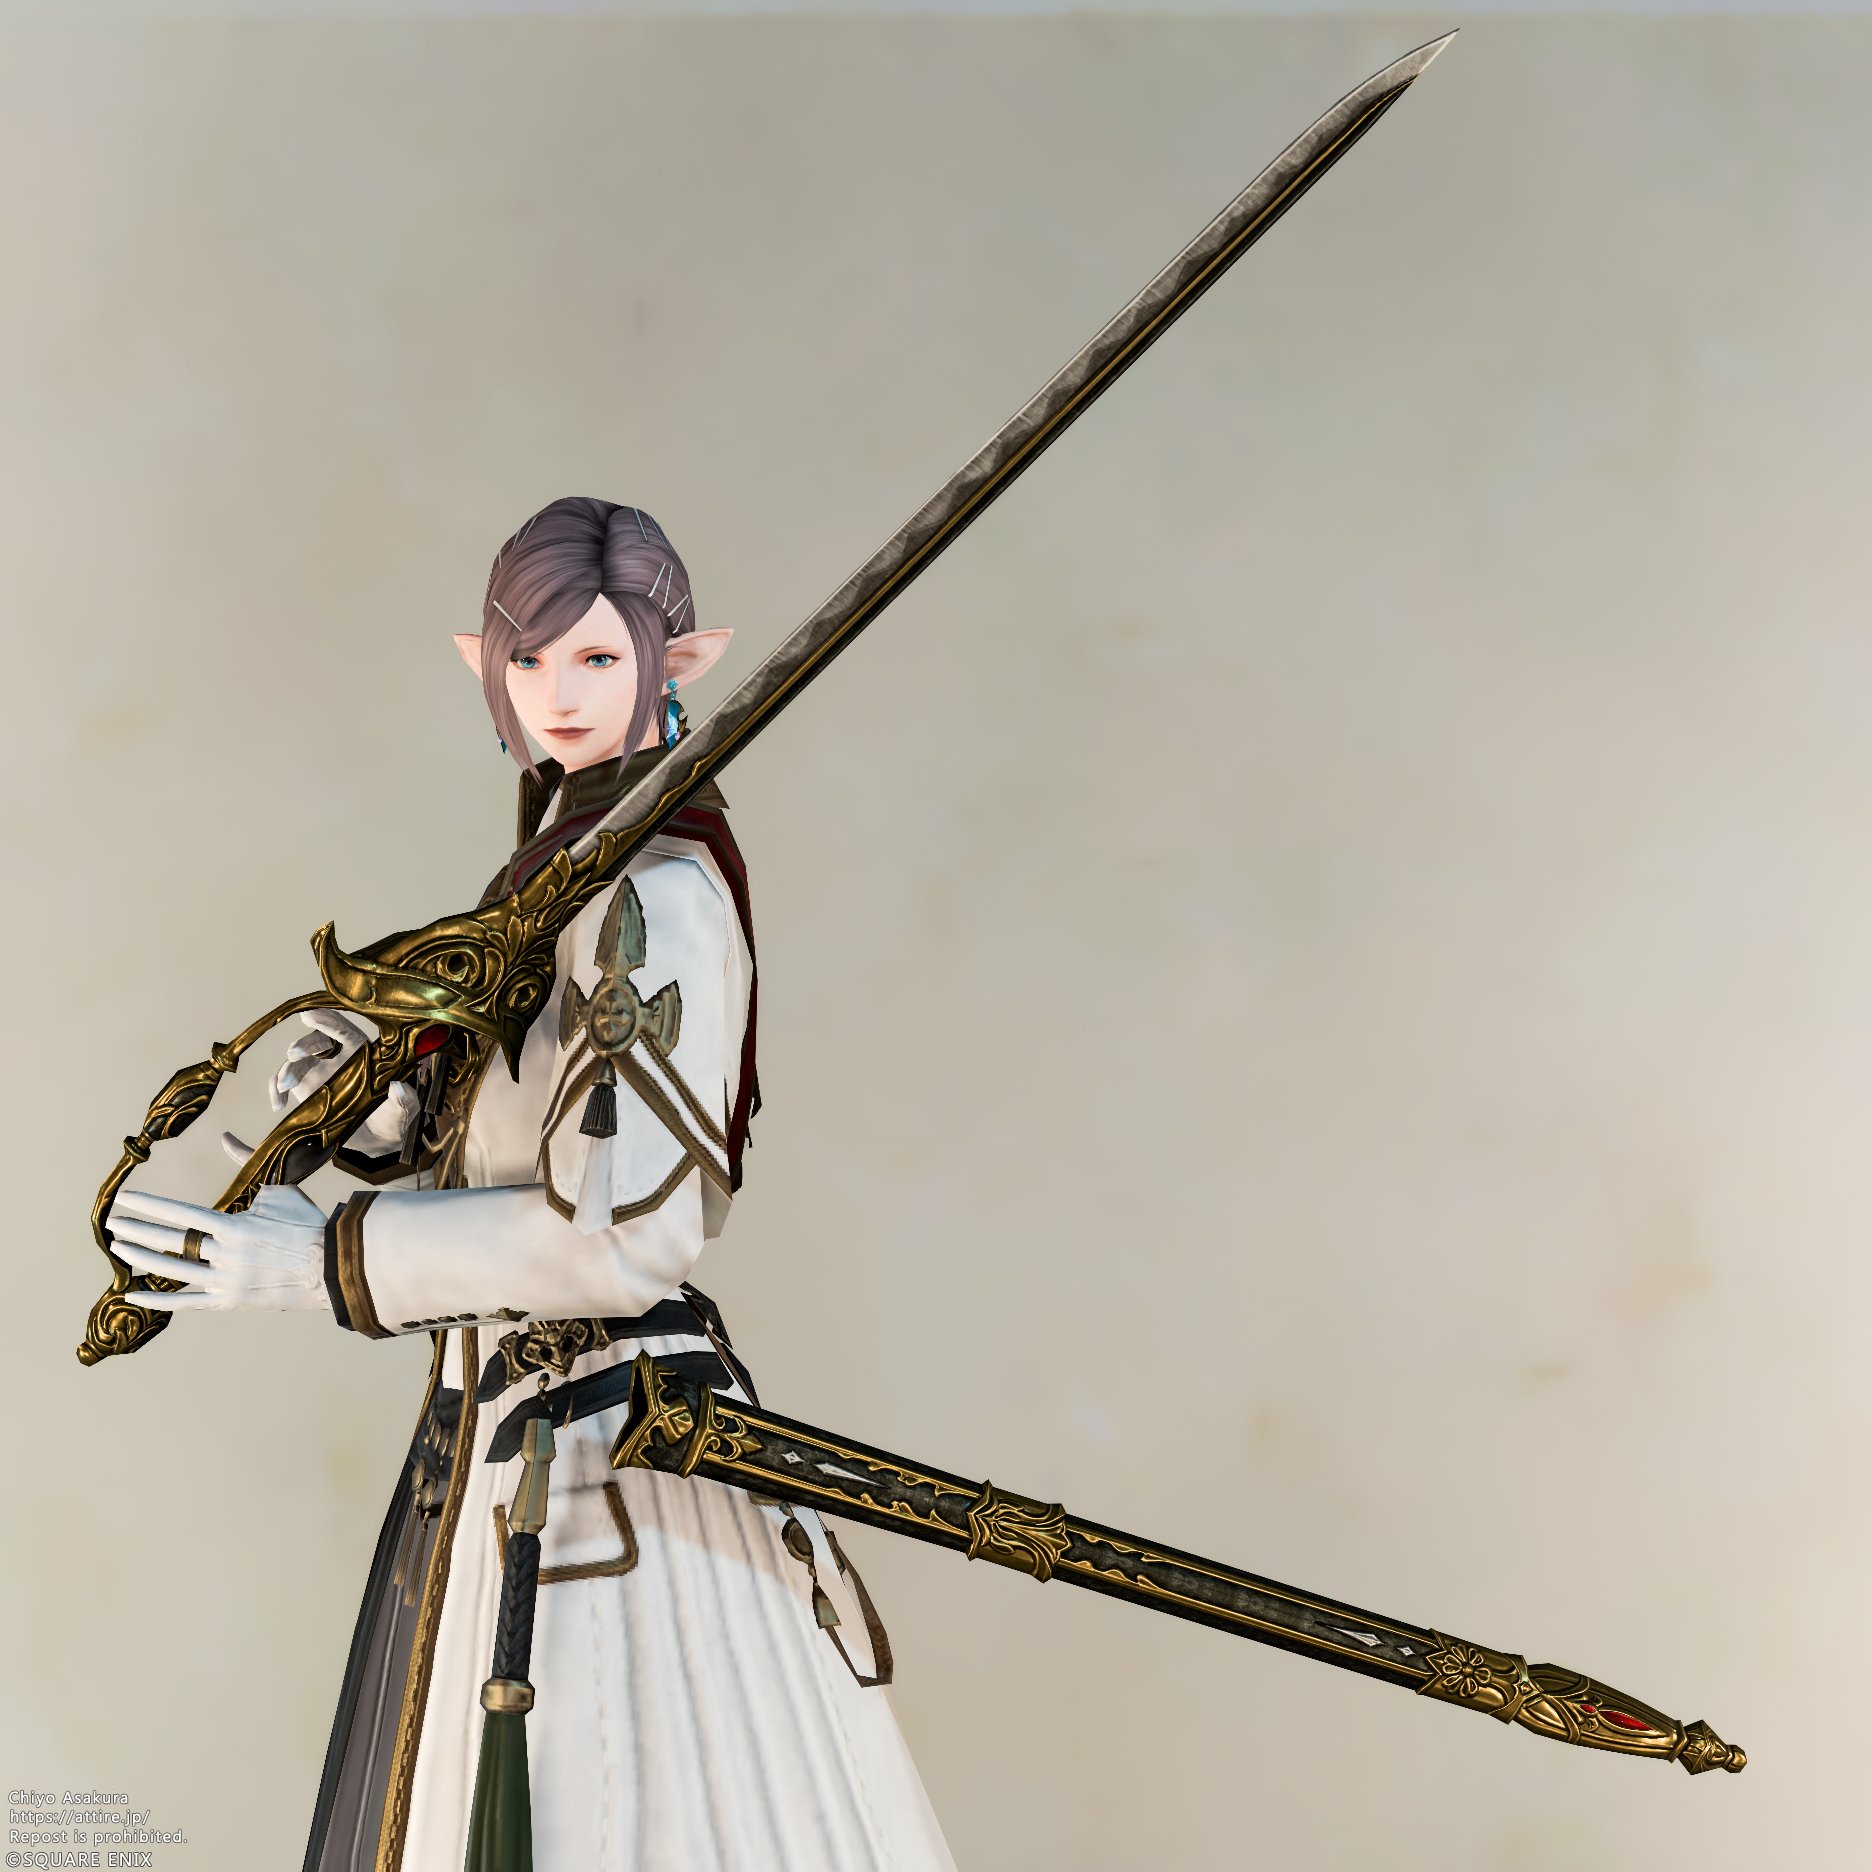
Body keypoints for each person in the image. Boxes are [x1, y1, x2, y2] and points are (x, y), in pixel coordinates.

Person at [107, 497, 957, 1872]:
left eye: (599, 659)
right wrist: (389, 1112)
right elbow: (527, 1130)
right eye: (532, 660)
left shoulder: (652, 898)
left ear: (676, 664)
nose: (559, 693)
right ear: (488, 666)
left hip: (610, 1462)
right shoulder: (560, 870)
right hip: (502, 1446)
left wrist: (322, 1263)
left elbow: (618, 1236)